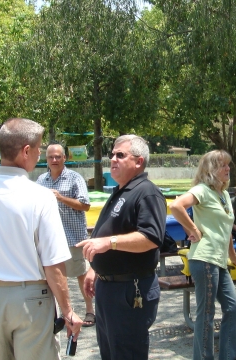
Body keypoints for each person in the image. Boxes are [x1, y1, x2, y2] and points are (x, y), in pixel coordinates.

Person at [0, 118, 82, 359]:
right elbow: (53, 264)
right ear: (26, 151)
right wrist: (68, 310)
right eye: (38, 149)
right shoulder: (40, 196)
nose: (39, 156)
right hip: (32, 299)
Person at [78, 135, 166, 360]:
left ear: (138, 162)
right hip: (109, 289)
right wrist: (94, 268)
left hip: (130, 290)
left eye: (120, 155)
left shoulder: (147, 192)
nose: (113, 160)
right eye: (112, 155)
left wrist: (108, 243)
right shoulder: (120, 191)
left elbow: (151, 237)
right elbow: (106, 232)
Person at [169, 150, 236, 360]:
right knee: (207, 314)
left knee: (234, 307)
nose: (228, 169)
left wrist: (234, 259)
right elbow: (176, 206)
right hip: (204, 259)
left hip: (219, 261)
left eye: (228, 165)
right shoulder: (201, 190)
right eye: (223, 165)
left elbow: (226, 230)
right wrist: (193, 229)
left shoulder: (224, 196)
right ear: (211, 169)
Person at [37, 143, 95, 327]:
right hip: (49, 239)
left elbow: (85, 205)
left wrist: (60, 197)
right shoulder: (41, 180)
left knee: (80, 275)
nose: (54, 160)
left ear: (64, 158)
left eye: (57, 157)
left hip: (73, 237)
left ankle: (90, 311)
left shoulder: (74, 178)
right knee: (49, 277)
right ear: (46, 159)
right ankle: (57, 314)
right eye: (50, 157)